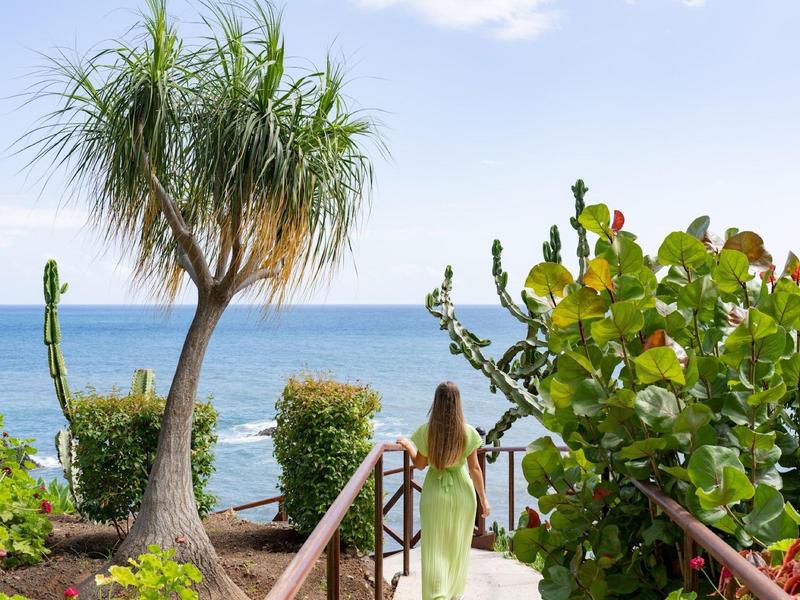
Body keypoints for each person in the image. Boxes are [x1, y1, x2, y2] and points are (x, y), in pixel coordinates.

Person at [396, 381, 490, 600]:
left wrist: (409, 445)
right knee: (457, 545)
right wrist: (484, 500)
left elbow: (420, 464)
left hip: (435, 493)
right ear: (458, 403)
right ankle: (453, 593)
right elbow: (475, 469)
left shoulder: (427, 431)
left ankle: (438, 595)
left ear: (436, 403)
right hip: (463, 494)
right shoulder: (467, 433)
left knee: (435, 545)